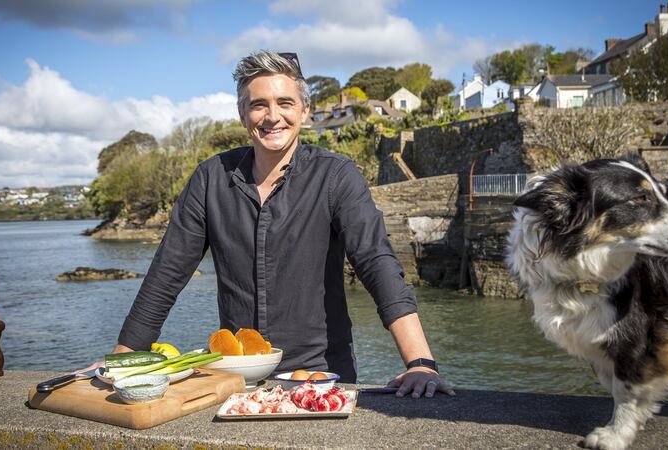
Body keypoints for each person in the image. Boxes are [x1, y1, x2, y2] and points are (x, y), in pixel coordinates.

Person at [109, 51, 454, 398]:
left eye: (285, 103)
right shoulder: (210, 179)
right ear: (243, 115)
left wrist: (420, 363)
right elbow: (166, 274)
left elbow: (376, 262)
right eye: (259, 105)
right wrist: (118, 364)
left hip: (323, 377)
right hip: (237, 380)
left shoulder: (336, 176)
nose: (272, 117)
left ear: (304, 111)